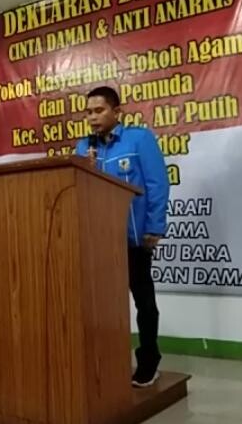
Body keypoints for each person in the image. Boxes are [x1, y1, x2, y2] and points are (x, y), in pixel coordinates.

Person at [74, 86, 170, 388]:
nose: (92, 117)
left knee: (144, 302)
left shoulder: (138, 139)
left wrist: (154, 226)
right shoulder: (83, 148)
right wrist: (86, 168)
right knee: (102, 305)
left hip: (134, 238)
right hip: (97, 241)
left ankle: (149, 361)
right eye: (88, 112)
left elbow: (157, 184)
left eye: (99, 111)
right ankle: (108, 359)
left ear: (117, 112)